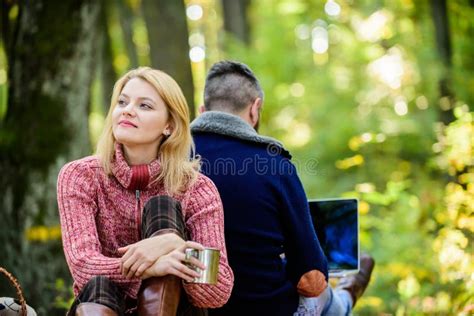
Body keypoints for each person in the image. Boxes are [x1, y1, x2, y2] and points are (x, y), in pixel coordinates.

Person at [191, 60, 375, 315]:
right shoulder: (274, 165)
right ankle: (347, 295)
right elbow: (311, 279)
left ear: (202, 111)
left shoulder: (171, 158)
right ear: (255, 110)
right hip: (267, 309)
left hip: (195, 307)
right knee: (327, 299)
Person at [57, 67, 234, 316]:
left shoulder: (197, 188)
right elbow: (83, 267)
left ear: (169, 126)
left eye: (145, 106)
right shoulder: (80, 176)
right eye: (122, 101)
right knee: (98, 285)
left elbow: (218, 292)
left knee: (164, 208)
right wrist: (152, 266)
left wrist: (176, 246)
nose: (127, 110)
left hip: (174, 310)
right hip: (101, 306)